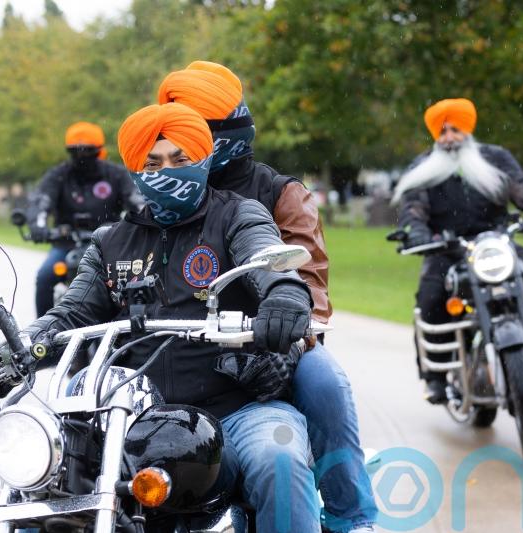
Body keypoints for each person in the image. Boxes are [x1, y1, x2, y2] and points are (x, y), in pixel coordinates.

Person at [0, 103, 321, 532]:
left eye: (181, 159)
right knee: (46, 480)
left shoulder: (238, 215)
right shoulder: (111, 242)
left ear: (205, 158)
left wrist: (283, 296)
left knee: (278, 459)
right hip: (131, 416)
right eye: (152, 163)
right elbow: (72, 312)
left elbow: (270, 264)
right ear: (135, 170)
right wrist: (16, 349)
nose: (166, 171)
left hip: (237, 407)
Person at [158, 61, 376, 533]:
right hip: (179, 348)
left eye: (188, 130)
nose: (169, 155)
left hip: (269, 346)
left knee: (325, 382)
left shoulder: (280, 193)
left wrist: (290, 339)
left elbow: (310, 281)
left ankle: (350, 516)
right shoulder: (163, 194)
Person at [392, 98, 523, 404]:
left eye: (455, 129)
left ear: (467, 129)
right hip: (447, 249)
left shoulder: (495, 158)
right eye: (441, 131)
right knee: (431, 295)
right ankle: (436, 378)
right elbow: (413, 208)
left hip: (496, 243)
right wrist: (416, 231)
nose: (449, 137)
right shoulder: (424, 168)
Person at [26, 121, 143, 317]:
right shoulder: (59, 175)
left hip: (109, 242)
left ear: (99, 150)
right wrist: (38, 225)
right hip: (66, 243)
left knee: (132, 280)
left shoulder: (115, 174)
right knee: (45, 276)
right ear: (69, 151)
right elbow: (41, 200)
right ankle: (43, 336)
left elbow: (137, 200)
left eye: (88, 151)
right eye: (76, 151)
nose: (82, 156)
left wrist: (144, 219)